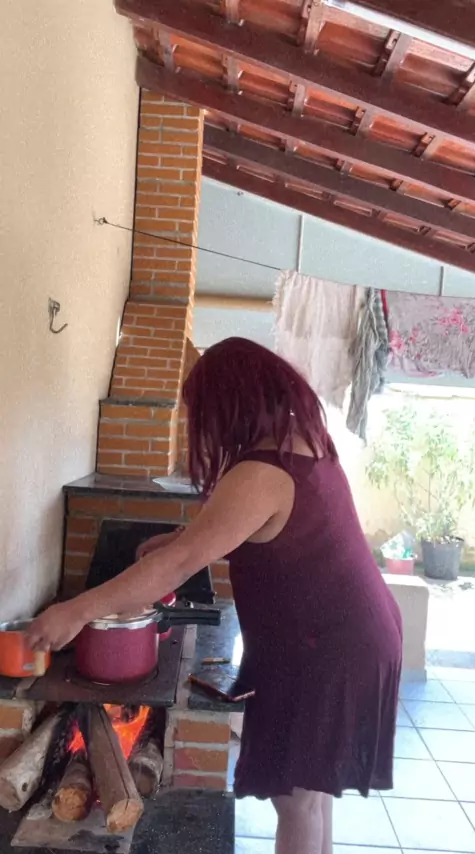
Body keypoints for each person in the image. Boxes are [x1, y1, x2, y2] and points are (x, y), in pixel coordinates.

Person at [28, 337, 402, 854]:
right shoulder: (300, 444)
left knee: (296, 802)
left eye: (201, 412)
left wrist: (76, 610)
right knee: (311, 798)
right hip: (351, 634)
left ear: (231, 404)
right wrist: (182, 540)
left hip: (324, 648)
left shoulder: (262, 472)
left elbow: (179, 565)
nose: (199, 427)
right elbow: (266, 532)